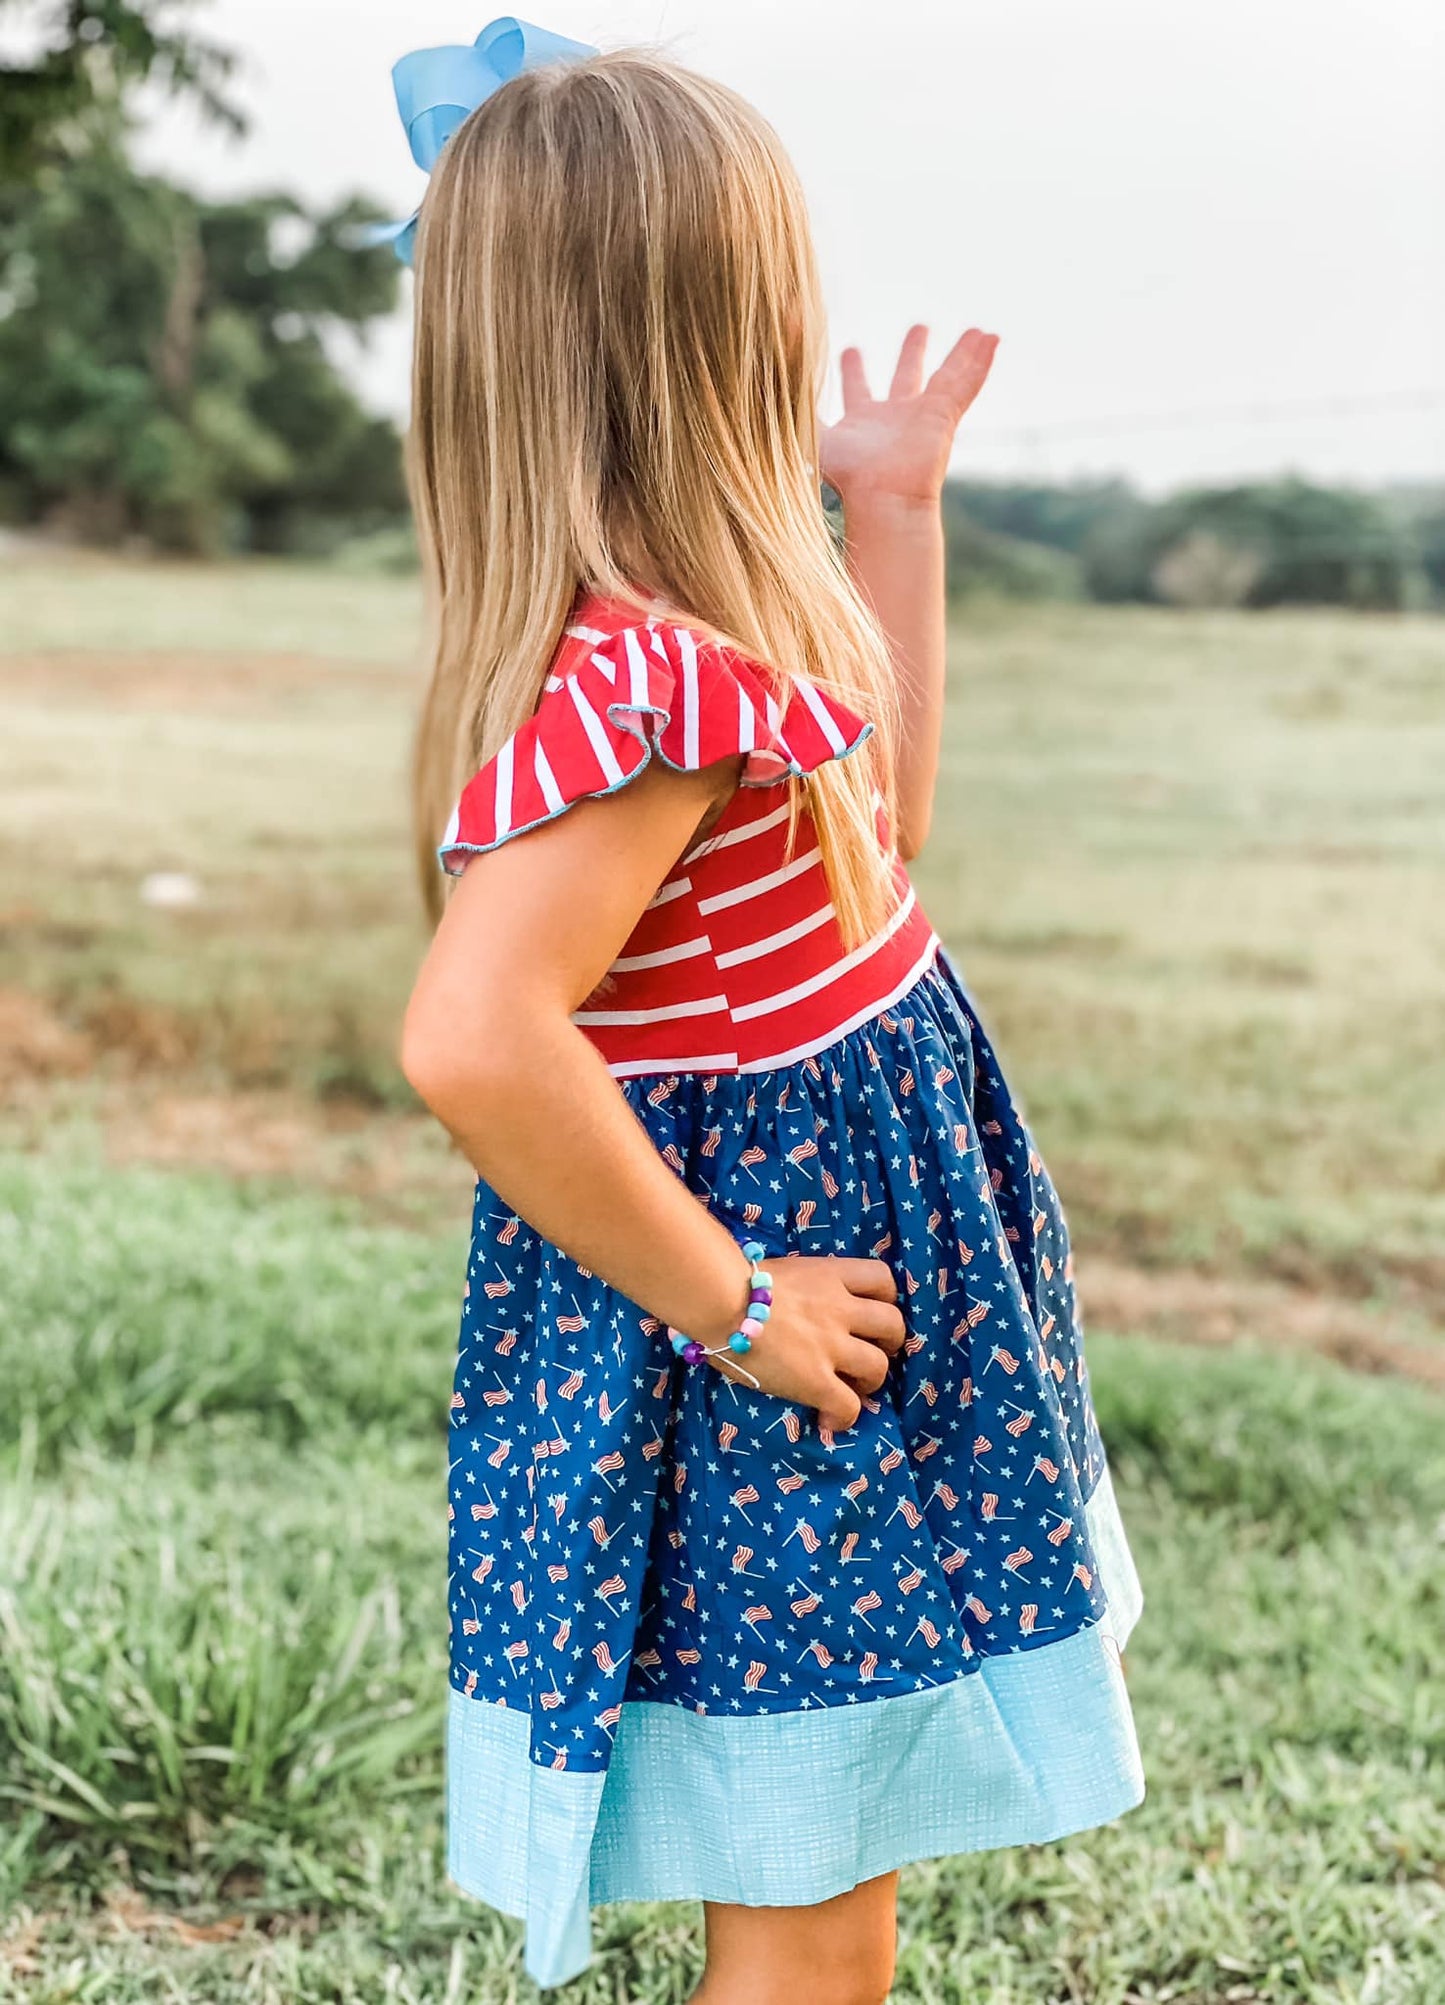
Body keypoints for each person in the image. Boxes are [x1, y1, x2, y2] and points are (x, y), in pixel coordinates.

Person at [394, 24, 1145, 2003]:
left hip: (831, 1336)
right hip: (775, 1353)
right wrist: (734, 1297)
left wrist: (888, 518)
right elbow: (473, 1037)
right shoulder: (638, 696)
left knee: (844, 1894)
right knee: (812, 1914)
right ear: (709, 336)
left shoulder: (720, 646)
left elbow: (865, 843)